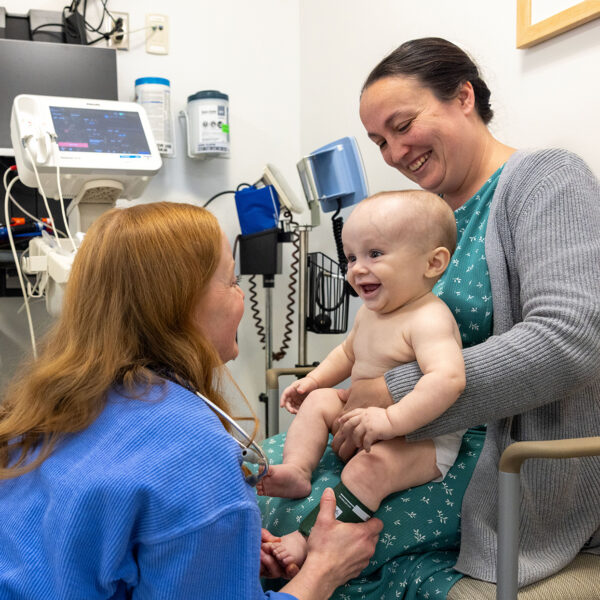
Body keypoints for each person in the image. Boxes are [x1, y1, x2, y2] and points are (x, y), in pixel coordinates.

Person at [0, 201, 382, 599]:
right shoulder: (195, 453)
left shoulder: (46, 405)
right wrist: (323, 570)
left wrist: (211, 549)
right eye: (233, 282)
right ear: (181, 305)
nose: (243, 299)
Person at [327, 37, 600, 588]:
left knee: (318, 528)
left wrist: (395, 392)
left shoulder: (547, 179)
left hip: (497, 465)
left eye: (403, 126)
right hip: (415, 439)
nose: (394, 152)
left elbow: (572, 339)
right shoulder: (429, 221)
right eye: (380, 140)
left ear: (464, 97)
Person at [257, 190, 466, 575]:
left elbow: (449, 379)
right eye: (351, 257)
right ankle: (298, 473)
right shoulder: (372, 313)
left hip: (420, 439)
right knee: (321, 400)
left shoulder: (428, 318)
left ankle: (307, 540)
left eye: (375, 254)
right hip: (361, 417)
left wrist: (390, 422)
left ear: (433, 263)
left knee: (368, 469)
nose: (356, 268)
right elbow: (348, 354)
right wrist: (314, 380)